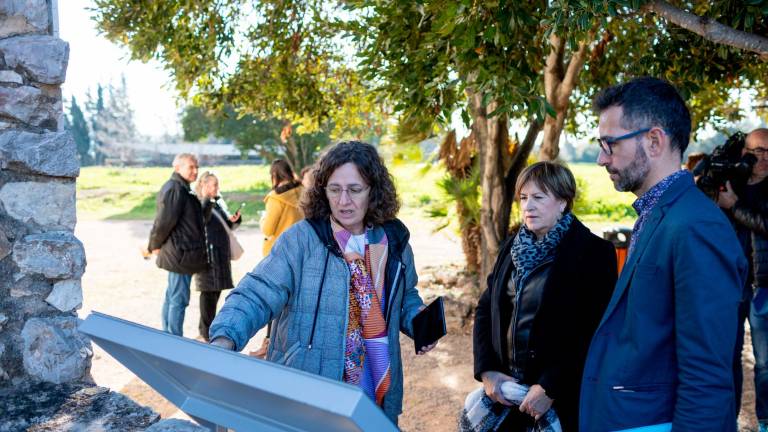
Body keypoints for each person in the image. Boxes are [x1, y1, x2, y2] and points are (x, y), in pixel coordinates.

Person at [209, 141, 436, 424]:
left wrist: (418, 320)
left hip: (374, 387)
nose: (344, 201)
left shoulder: (394, 241)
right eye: (334, 189)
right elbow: (257, 292)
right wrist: (225, 337)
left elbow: (405, 297)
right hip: (307, 389)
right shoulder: (301, 239)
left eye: (355, 190)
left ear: (373, 191)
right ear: (322, 190)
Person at [580, 77, 748, 431]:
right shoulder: (661, 215)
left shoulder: (696, 226)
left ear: (654, 141)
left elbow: (707, 375)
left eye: (609, 144)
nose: (600, 159)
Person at [472, 161, 617, 431]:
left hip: (560, 399)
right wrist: (488, 370)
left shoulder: (594, 253)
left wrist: (550, 387)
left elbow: (594, 331)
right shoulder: (511, 246)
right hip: (508, 394)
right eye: (524, 198)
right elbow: (485, 309)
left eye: (539, 197)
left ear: (563, 202)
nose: (528, 206)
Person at [717, 128, 768, 431]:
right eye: (757, 150)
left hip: (764, 285)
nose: (763, 157)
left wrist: (734, 206)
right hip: (730, 284)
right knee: (727, 358)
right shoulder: (728, 184)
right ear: (744, 152)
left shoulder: (733, 197)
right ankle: (729, 421)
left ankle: (764, 421)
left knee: (765, 364)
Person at [147, 153, 209, 336]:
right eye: (191, 167)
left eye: (196, 167)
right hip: (180, 254)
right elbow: (163, 222)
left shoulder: (183, 188)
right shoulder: (175, 188)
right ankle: (173, 340)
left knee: (173, 296)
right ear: (177, 168)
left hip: (184, 253)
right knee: (178, 299)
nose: (195, 171)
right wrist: (153, 245)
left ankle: (168, 337)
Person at [193, 171, 242, 342]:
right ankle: (205, 333)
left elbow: (226, 226)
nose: (216, 188)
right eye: (213, 185)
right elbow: (201, 219)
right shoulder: (199, 203)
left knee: (215, 294)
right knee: (208, 294)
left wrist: (235, 221)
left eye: (217, 185)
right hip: (208, 256)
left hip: (220, 255)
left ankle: (207, 331)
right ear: (204, 186)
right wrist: (206, 198)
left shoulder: (216, 203)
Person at [260, 159, 303, 257]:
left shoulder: (275, 198)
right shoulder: (303, 191)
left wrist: (263, 220)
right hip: (302, 248)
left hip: (280, 252)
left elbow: (268, 230)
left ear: (274, 175)